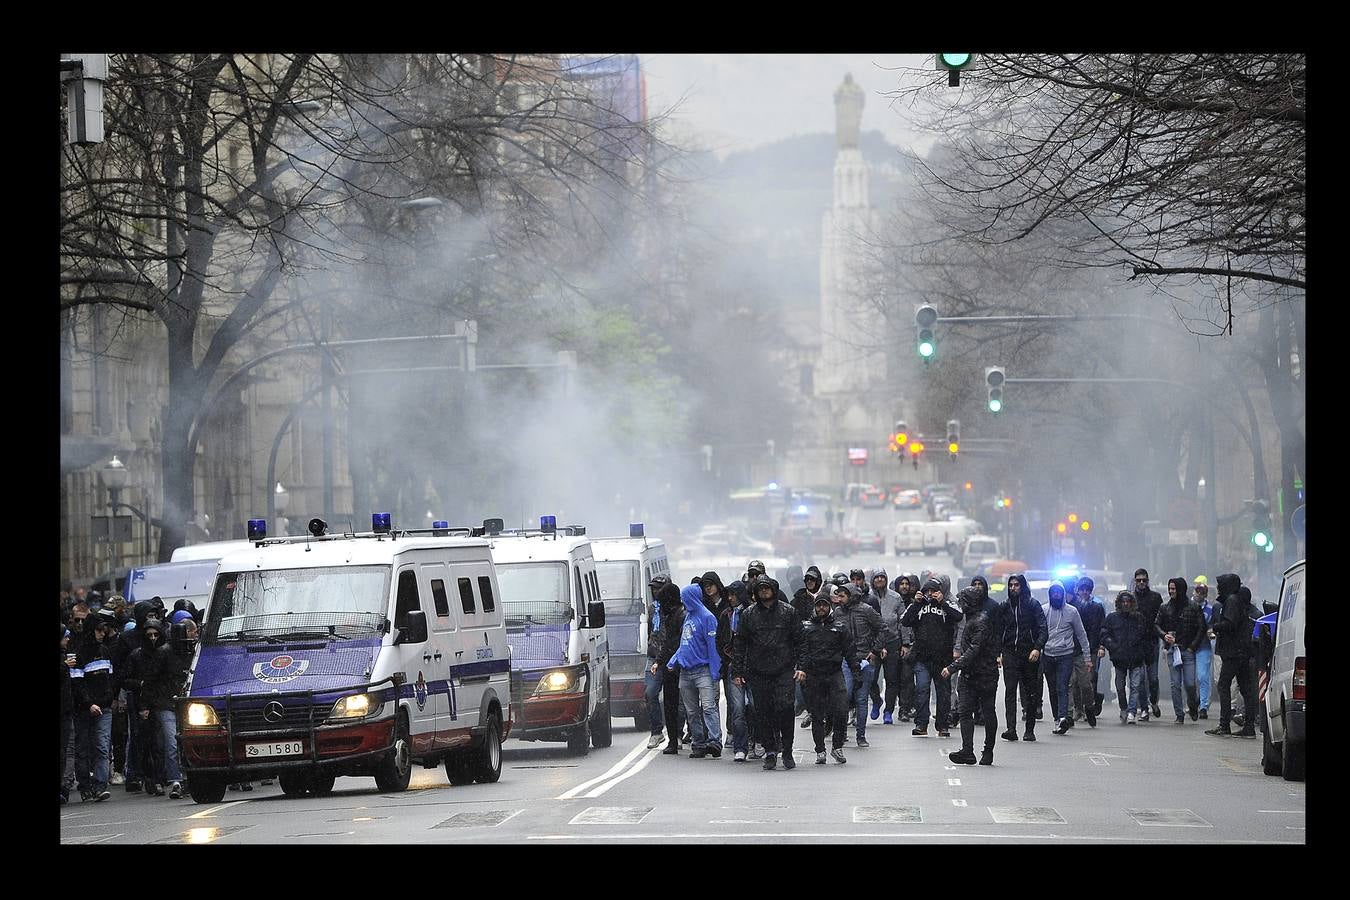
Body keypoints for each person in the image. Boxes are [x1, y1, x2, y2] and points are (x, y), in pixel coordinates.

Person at [734, 574, 804, 771]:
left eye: (767, 588)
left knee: (785, 708)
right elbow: (740, 643)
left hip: (784, 670)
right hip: (758, 671)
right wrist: (738, 671)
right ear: (755, 593)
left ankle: (787, 750)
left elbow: (800, 640)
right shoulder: (748, 615)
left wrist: (802, 666)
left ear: (774, 590)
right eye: (760, 588)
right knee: (762, 712)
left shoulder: (788, 612)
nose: (764, 591)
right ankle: (770, 751)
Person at [798, 591, 859, 765]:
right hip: (814, 675)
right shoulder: (806, 627)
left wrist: (856, 672)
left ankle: (837, 747)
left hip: (834, 673)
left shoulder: (840, 627)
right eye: (819, 605)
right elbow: (801, 651)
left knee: (841, 711)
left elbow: (850, 651)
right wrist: (801, 669)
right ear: (815, 607)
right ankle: (820, 750)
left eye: (824, 605)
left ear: (830, 606)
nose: (822, 608)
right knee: (817, 715)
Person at [945, 587, 1001, 765]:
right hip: (970, 674)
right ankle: (967, 750)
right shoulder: (972, 620)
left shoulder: (980, 622)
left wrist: (953, 667)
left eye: (962, 602)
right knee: (964, 712)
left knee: (988, 711)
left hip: (984, 674)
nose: (960, 605)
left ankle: (988, 750)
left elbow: (974, 650)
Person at [901, 577, 962, 738]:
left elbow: (959, 616)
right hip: (922, 658)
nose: (930, 594)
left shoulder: (948, 603)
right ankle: (921, 724)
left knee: (943, 693)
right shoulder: (917, 605)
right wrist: (916, 603)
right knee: (921, 689)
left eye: (933, 591)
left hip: (942, 659)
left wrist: (943, 603)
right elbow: (904, 620)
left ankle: (942, 725)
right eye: (927, 591)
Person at [143, 613, 196, 799]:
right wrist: (146, 704)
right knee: (172, 742)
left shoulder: (193, 652)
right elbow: (150, 680)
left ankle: (190, 777)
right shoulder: (164, 652)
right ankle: (176, 780)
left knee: (187, 741)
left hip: (186, 703)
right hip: (166, 703)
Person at [668, 583, 723, 758]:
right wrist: (674, 660)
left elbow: (713, 647)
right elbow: (685, 642)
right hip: (685, 672)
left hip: (703, 670)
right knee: (691, 712)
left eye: (685, 597)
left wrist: (715, 671)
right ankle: (698, 743)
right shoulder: (688, 617)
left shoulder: (707, 618)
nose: (682, 601)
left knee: (708, 707)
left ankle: (715, 741)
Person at [72, 610, 117, 801]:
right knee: (82, 748)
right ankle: (85, 785)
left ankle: (99, 785)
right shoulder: (79, 653)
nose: (103, 634)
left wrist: (110, 698)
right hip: (84, 709)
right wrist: (89, 703)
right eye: (99, 630)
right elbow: (77, 683)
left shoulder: (105, 651)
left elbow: (111, 678)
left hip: (104, 708)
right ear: (92, 630)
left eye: (104, 630)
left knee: (102, 746)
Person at [1208, 575, 1258, 738]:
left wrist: (1215, 627)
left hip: (1233, 651)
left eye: (1219, 585)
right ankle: (1249, 726)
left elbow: (1230, 624)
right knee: (1245, 688)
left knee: (1223, 684)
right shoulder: (1236, 600)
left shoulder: (1231, 601)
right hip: (1241, 650)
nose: (1218, 588)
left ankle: (1224, 725)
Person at [837, 583, 886, 747]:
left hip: (865, 659)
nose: (840, 598)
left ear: (851, 595)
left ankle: (861, 736)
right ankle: (842, 733)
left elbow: (883, 628)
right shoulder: (837, 613)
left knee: (862, 699)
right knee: (845, 696)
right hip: (845, 660)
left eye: (843, 595)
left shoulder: (866, 610)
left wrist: (875, 650)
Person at [1000, 573, 1047, 742]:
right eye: (1011, 585)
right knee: (1010, 691)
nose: (1013, 588)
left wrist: (1037, 648)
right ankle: (1011, 728)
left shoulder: (1033, 605)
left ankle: (1029, 729)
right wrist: (999, 653)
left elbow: (1043, 629)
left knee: (1030, 692)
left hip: (1029, 654)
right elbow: (999, 630)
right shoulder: (1005, 606)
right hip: (1010, 653)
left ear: (1023, 586)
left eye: (1016, 585)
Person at [1042, 583, 1091, 735]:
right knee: (1052, 688)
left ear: (1063, 594)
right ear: (1050, 594)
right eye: (1053, 592)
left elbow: (1081, 634)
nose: (1056, 595)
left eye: (1058, 592)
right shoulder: (1043, 610)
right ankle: (1057, 719)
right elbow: (1038, 632)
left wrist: (1087, 657)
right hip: (1048, 654)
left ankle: (1063, 717)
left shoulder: (1072, 611)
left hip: (1065, 654)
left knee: (1062, 686)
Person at [1156, 577, 1205, 723]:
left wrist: (1192, 647)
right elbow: (1156, 624)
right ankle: (1179, 714)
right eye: (1169, 588)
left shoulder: (1193, 607)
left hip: (1188, 651)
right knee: (1175, 684)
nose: (1171, 591)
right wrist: (1164, 636)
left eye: (1174, 589)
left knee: (1190, 683)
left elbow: (1201, 627)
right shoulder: (1164, 607)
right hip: (1172, 650)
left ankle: (1192, 704)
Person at [650, 578, 687, 755]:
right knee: (671, 704)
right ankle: (673, 739)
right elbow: (666, 642)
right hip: (670, 666)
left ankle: (681, 737)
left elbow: (680, 642)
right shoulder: (670, 615)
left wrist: (669, 659)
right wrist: (659, 660)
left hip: (681, 665)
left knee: (683, 704)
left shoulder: (681, 615)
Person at [717, 580, 753, 761]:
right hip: (733, 667)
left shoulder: (752, 613)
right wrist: (726, 659)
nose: (730, 598)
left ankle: (758, 741)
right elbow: (720, 640)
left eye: (733, 594)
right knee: (737, 709)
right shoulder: (726, 615)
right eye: (728, 595)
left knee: (755, 707)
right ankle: (740, 747)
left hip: (753, 667)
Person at [1101, 591, 1150, 723]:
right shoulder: (1112, 618)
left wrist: (1143, 651)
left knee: (1135, 686)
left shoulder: (1139, 618)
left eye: (1128, 601)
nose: (1126, 604)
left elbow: (1145, 636)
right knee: (1120, 686)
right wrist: (1113, 647)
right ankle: (1124, 708)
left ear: (1132, 603)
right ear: (1119, 603)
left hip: (1136, 657)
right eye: (1123, 601)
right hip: (1119, 658)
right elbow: (1105, 634)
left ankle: (1132, 711)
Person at [792, 566, 829, 728]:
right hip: (804, 646)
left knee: (824, 685)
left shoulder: (826, 597)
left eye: (812, 579)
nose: (810, 582)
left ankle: (821, 714)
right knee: (804, 685)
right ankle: (811, 711)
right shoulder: (798, 598)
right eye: (807, 580)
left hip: (825, 646)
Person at [869, 569, 905, 724]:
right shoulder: (868, 598)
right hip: (873, 644)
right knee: (870, 678)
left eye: (882, 577)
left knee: (892, 679)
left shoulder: (896, 598)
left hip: (892, 642)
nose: (879, 580)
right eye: (876, 577)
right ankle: (877, 701)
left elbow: (903, 622)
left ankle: (889, 711)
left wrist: (906, 643)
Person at [1069, 577, 1106, 725]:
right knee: (1074, 681)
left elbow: (1102, 628)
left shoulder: (1097, 607)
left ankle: (1089, 705)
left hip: (1092, 648)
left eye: (1087, 590)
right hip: (1075, 649)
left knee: (1088, 680)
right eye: (1082, 589)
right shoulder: (1072, 607)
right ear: (1077, 590)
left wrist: (1100, 646)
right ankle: (1079, 708)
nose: (1084, 592)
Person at [1132, 569, 1165, 719]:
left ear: (1148, 581)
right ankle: (1143, 707)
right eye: (1138, 580)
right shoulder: (1130, 598)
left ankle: (1153, 701)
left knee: (1153, 677)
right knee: (1140, 678)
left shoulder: (1155, 598)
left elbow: (1162, 618)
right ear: (1135, 581)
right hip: (1137, 643)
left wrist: (1164, 636)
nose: (1141, 583)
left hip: (1152, 641)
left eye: (1144, 580)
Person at [891, 573, 919, 722]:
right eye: (901, 584)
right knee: (900, 678)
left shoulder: (915, 602)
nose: (904, 587)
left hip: (912, 644)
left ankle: (907, 707)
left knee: (908, 677)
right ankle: (904, 706)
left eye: (906, 584)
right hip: (896, 644)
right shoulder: (893, 601)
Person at [1193, 576, 1217, 719]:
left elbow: (1213, 625)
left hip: (1203, 646)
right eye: (1197, 591)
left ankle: (1203, 706)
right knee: (1190, 679)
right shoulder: (1188, 607)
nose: (1199, 595)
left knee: (1203, 676)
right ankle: (1192, 702)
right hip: (1190, 647)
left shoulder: (1210, 610)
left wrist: (1211, 631)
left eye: (1202, 592)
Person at [60, 626, 75, 804]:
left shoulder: (66, 655)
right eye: (66, 637)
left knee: (65, 749)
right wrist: (64, 666)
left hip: (66, 710)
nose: (68, 640)